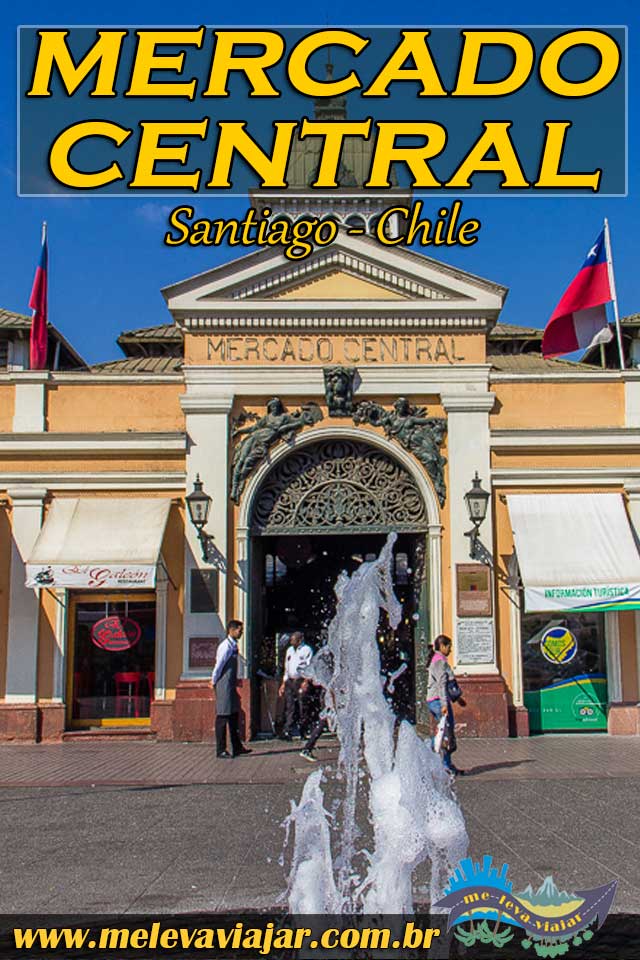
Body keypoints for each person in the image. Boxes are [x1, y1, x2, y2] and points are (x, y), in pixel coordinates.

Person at [211, 620, 252, 759]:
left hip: (231, 685)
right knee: (222, 716)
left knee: (234, 715)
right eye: (239, 630)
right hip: (224, 685)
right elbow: (219, 665)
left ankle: (237, 747)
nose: (241, 633)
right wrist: (213, 681)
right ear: (231, 630)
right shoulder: (225, 647)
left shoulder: (233, 646)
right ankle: (221, 749)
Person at [426, 634, 464, 778]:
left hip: (436, 700)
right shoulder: (439, 663)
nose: (450, 649)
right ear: (442, 646)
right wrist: (444, 705)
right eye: (449, 646)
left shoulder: (438, 660)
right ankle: (444, 765)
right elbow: (441, 685)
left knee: (445, 732)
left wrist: (457, 699)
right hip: (438, 701)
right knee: (445, 733)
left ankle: (446, 764)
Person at [278, 631, 313, 740]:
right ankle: (287, 731)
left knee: (303, 707)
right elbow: (286, 667)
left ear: (300, 640)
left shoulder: (307, 650)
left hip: (300, 680)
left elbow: (310, 666)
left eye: (293, 640)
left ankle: (303, 730)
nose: (291, 642)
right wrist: (283, 683)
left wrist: (306, 681)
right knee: (290, 706)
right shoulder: (289, 650)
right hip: (290, 681)